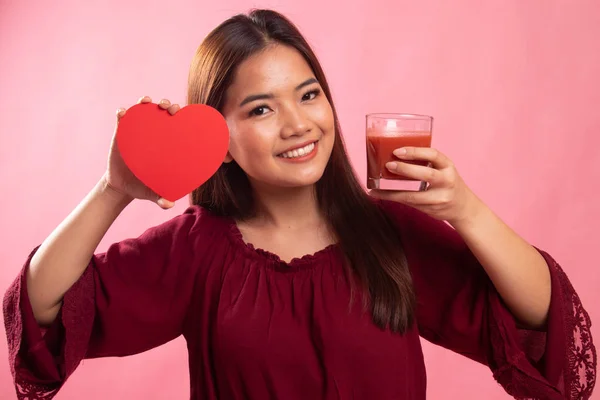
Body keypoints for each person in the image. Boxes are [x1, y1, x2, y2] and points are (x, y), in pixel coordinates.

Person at [2, 8, 596, 400]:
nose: (297, 124)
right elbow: (41, 306)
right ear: (221, 141)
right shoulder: (195, 250)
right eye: (260, 109)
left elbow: (542, 321)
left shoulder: (389, 233)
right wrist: (114, 190)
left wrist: (466, 210)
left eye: (309, 95)